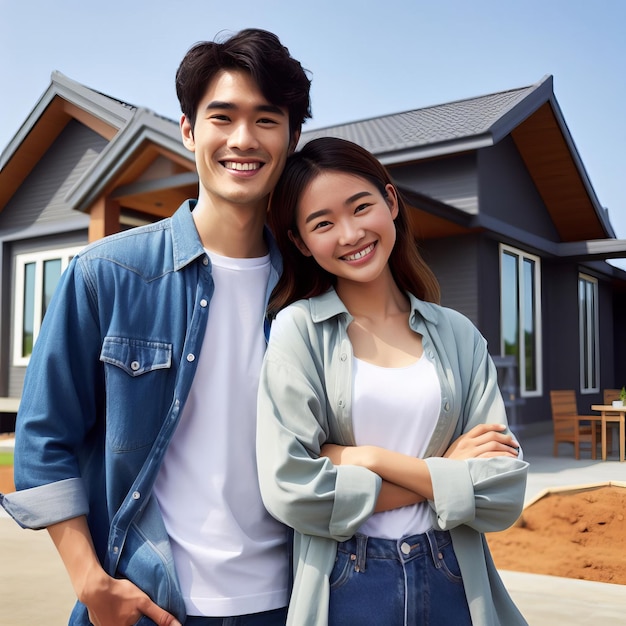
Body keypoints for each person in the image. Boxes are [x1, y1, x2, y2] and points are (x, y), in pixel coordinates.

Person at [1, 29, 311, 626]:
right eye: (222, 117)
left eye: (267, 120)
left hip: (290, 603)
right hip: (147, 603)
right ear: (189, 130)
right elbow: (43, 441)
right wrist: (91, 583)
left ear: (292, 138)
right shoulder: (105, 275)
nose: (243, 139)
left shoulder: (310, 289)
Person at [257, 137, 529, 625]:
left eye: (361, 207)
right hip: (347, 578)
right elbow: (291, 489)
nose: (350, 233)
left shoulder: (459, 335)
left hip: (453, 574)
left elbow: (502, 491)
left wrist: (368, 458)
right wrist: (443, 472)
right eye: (322, 223)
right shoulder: (297, 330)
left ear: (391, 200)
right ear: (301, 242)